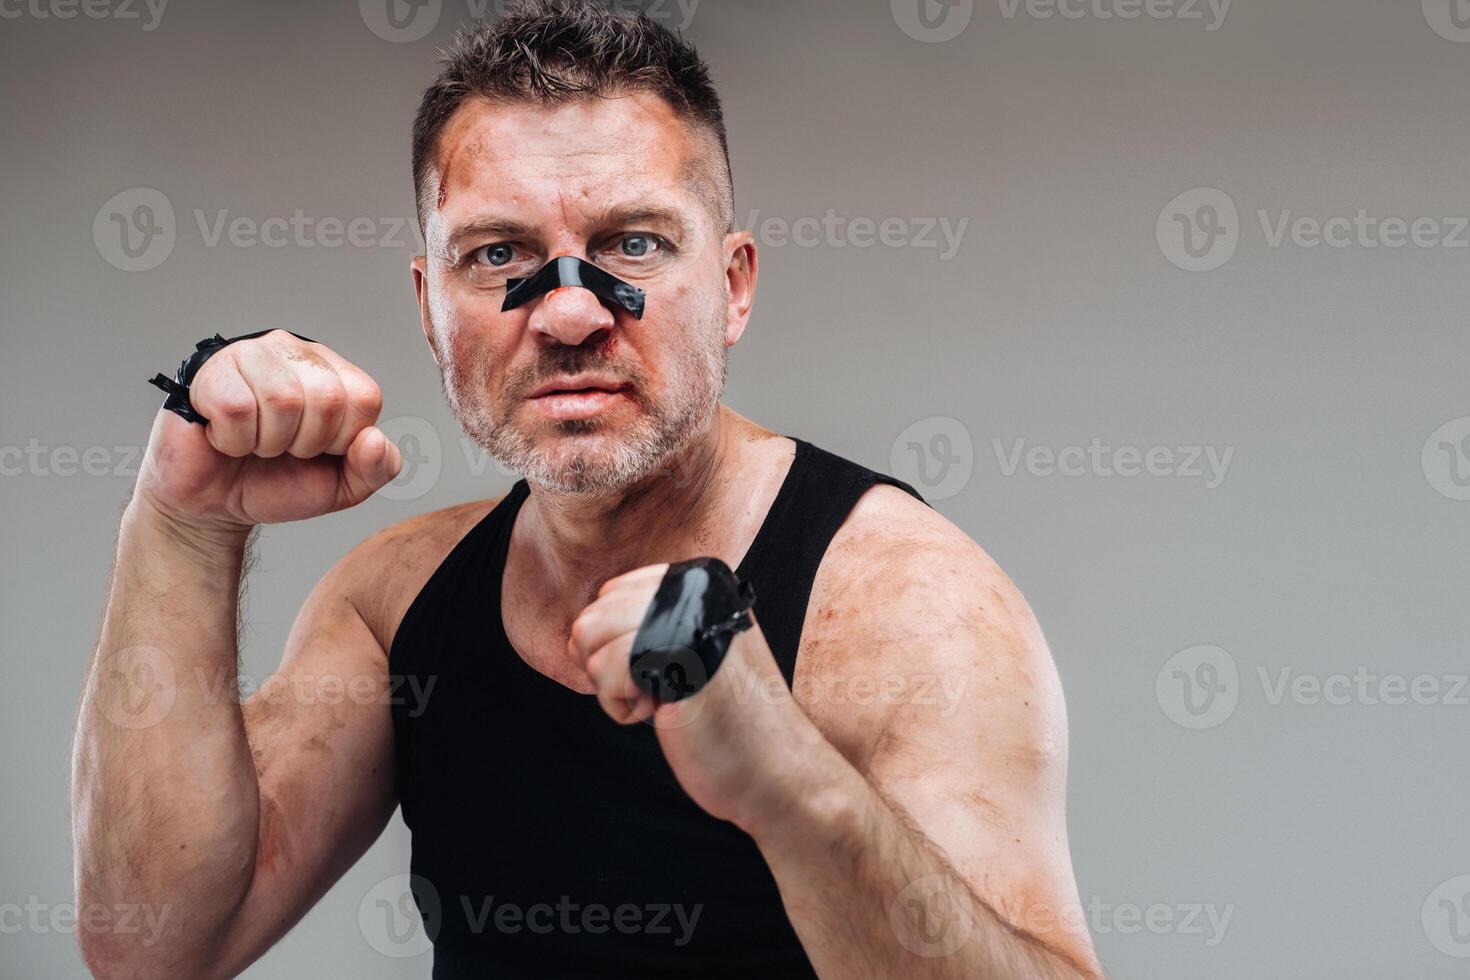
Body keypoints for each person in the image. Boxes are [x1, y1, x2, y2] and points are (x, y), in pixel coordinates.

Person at [71, 2, 1101, 977]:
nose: (568, 315)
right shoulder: (396, 601)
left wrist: (792, 789)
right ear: (431, 306)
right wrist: (181, 518)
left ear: (735, 286)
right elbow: (153, 947)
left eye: (632, 245)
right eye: (501, 254)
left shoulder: (905, 607)